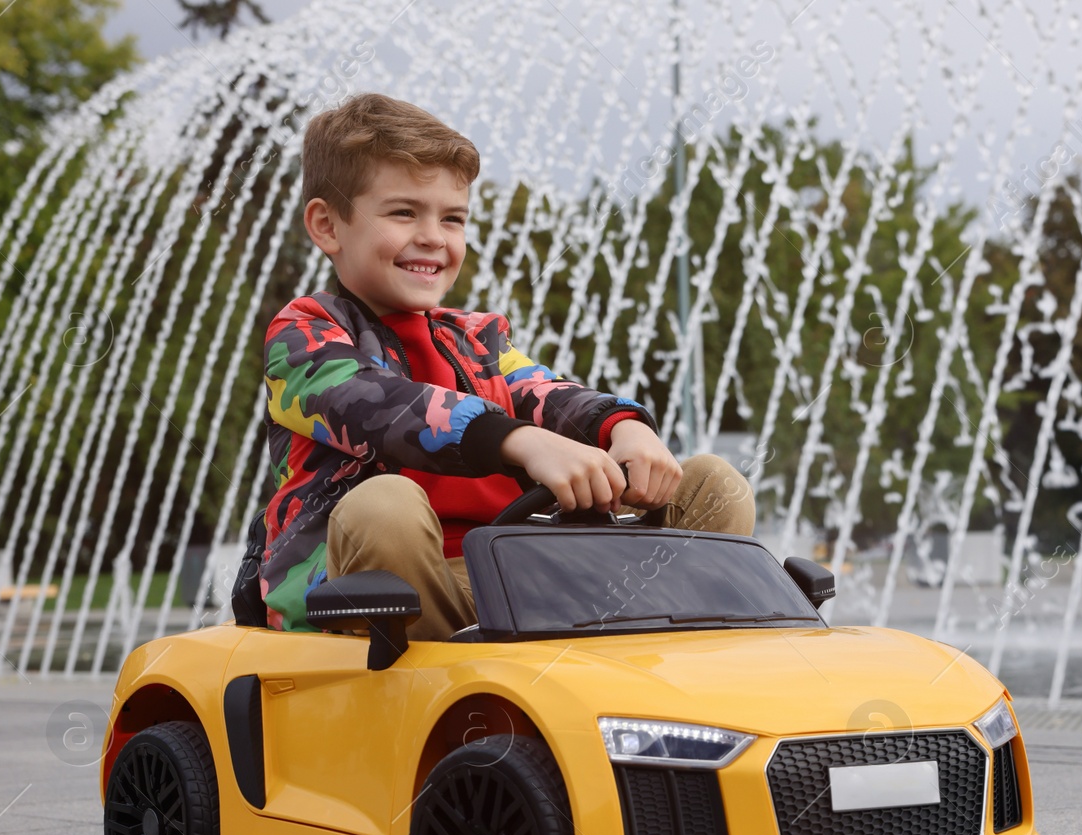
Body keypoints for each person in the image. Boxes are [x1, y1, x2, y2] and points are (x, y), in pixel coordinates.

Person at [258, 93, 754, 640]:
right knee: (382, 506)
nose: (433, 236)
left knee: (714, 482)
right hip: (387, 595)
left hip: (511, 579)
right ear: (328, 226)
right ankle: (447, 674)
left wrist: (625, 428)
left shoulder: (479, 341)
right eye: (403, 212)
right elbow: (375, 408)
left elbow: (550, 394)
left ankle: (683, 655)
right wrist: (522, 442)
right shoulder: (303, 335)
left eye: (452, 219)